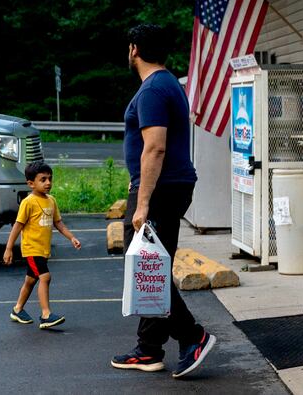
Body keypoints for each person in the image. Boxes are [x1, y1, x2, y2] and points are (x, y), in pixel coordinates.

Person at [111, 24, 216, 378]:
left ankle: (193, 336)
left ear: (134, 49)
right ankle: (149, 349)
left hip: (160, 190)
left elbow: (154, 147)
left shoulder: (153, 89)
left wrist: (141, 204)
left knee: (145, 268)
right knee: (151, 264)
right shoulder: (168, 83)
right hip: (169, 186)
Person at [3, 161, 81, 329]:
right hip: (32, 249)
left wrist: (71, 237)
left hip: (43, 250)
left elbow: (58, 223)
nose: (48, 183)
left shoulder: (51, 201)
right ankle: (46, 315)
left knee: (31, 281)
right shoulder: (28, 202)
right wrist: (9, 248)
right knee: (45, 277)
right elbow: (18, 225)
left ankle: (17, 309)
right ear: (31, 183)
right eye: (43, 179)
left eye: (50, 179)